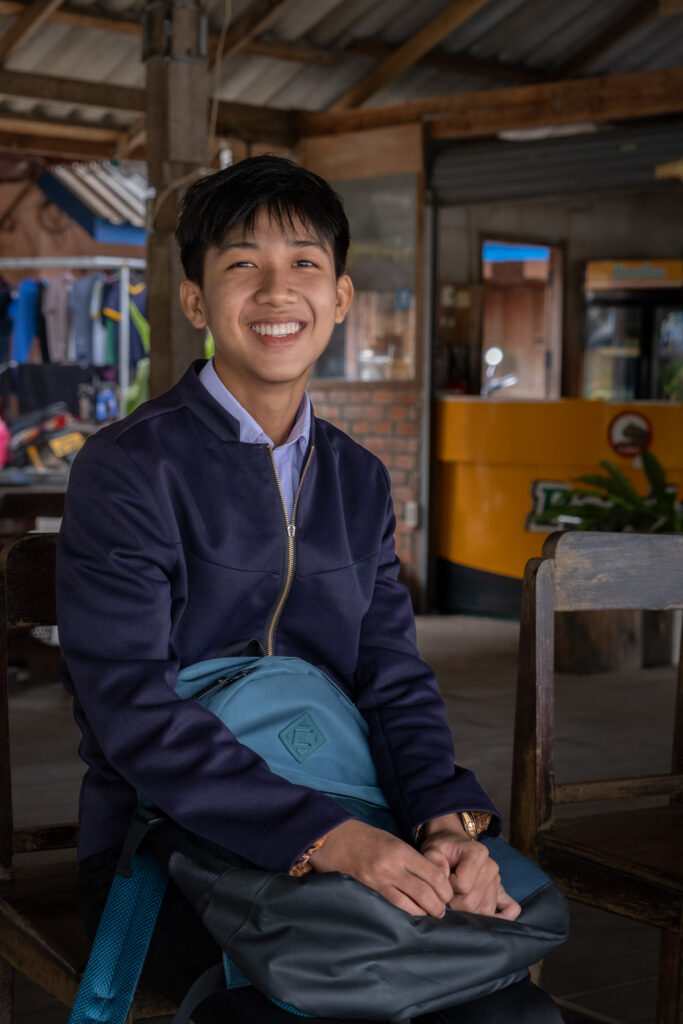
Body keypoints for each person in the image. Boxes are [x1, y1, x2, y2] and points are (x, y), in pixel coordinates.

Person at [57, 155, 562, 1024]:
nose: (275, 290)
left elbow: (392, 677)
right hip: (177, 835)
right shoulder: (129, 468)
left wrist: (445, 825)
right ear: (194, 300)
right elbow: (129, 706)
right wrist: (323, 840)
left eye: (304, 264)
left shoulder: (359, 479)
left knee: (504, 1006)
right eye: (241, 264)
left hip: (357, 807)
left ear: (339, 297)